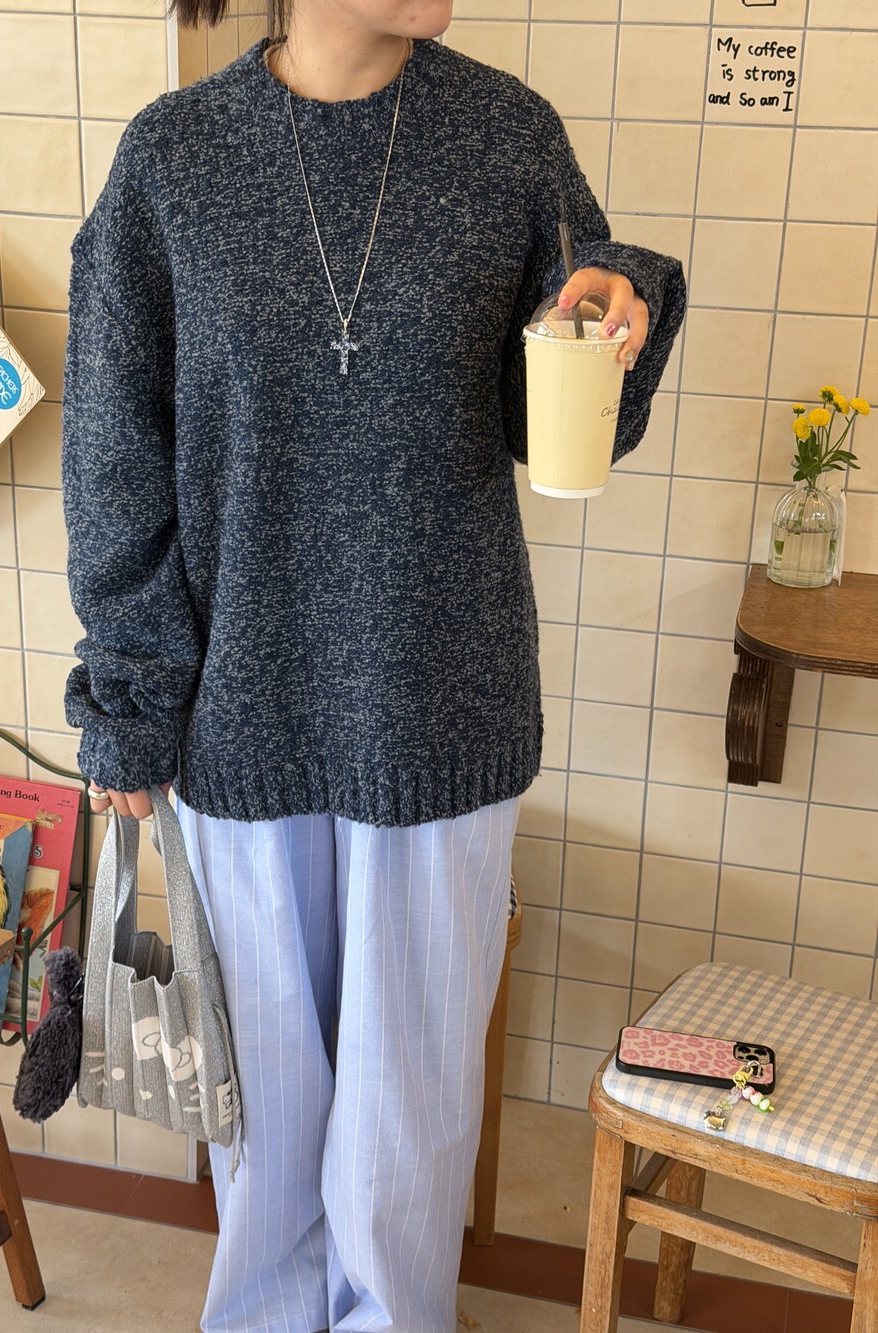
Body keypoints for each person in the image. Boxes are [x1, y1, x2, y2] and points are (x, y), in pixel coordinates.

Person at [60, 1, 687, 1329]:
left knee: (408, 1117)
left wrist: (619, 303)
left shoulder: (507, 139)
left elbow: (556, 419)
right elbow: (115, 459)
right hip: (241, 711)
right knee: (266, 1109)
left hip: (437, 700)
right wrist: (129, 706)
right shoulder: (172, 161)